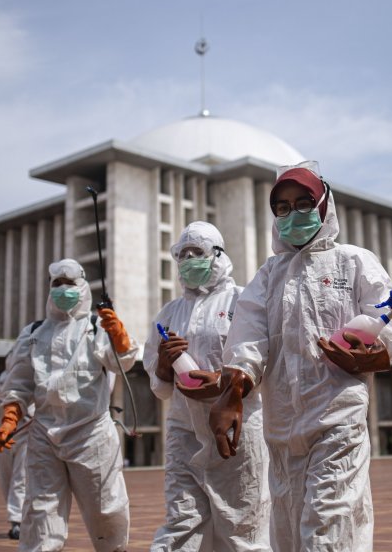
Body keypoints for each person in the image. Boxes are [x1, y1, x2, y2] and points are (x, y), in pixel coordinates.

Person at [209, 161, 392, 551]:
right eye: (282, 207)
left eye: (304, 203)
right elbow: (247, 342)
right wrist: (231, 395)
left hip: (338, 418)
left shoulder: (353, 261)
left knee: (327, 526)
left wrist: (370, 356)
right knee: (287, 531)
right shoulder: (268, 276)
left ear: (323, 207)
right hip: (281, 428)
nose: (292, 214)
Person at [143, 221, 270, 551]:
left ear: (217, 255)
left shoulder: (244, 301)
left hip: (236, 432)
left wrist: (223, 384)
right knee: (181, 521)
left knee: (243, 525)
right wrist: (163, 362)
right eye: (182, 255)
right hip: (184, 430)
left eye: (196, 252)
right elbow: (160, 386)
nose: (188, 260)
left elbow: (263, 358)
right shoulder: (170, 313)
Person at [0, 258, 137, 552]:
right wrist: (11, 413)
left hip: (91, 434)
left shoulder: (97, 325)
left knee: (105, 508)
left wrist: (120, 338)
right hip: (43, 435)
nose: (63, 290)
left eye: (70, 284)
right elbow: (20, 380)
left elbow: (121, 363)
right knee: (39, 510)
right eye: (57, 284)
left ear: (83, 287)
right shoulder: (34, 333)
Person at [0, 352, 34, 540]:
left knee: (21, 477)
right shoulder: (0, 378)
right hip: (4, 434)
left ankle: (17, 522)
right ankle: (16, 517)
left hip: (26, 433)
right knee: (6, 478)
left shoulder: (31, 374)